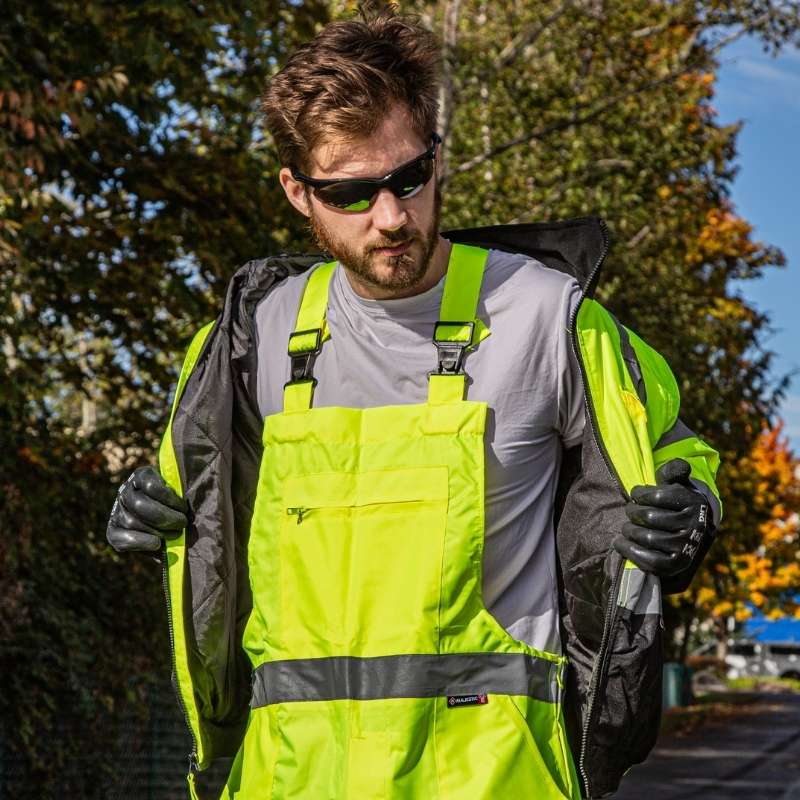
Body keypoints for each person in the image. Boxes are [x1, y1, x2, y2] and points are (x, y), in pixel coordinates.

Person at [107, 5, 721, 799]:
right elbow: (216, 515)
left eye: (409, 178)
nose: (392, 216)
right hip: (288, 780)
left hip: (496, 780)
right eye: (351, 193)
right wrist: (164, 524)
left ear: (436, 154)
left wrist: (692, 508)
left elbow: (670, 447)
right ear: (297, 191)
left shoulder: (547, 315)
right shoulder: (249, 341)